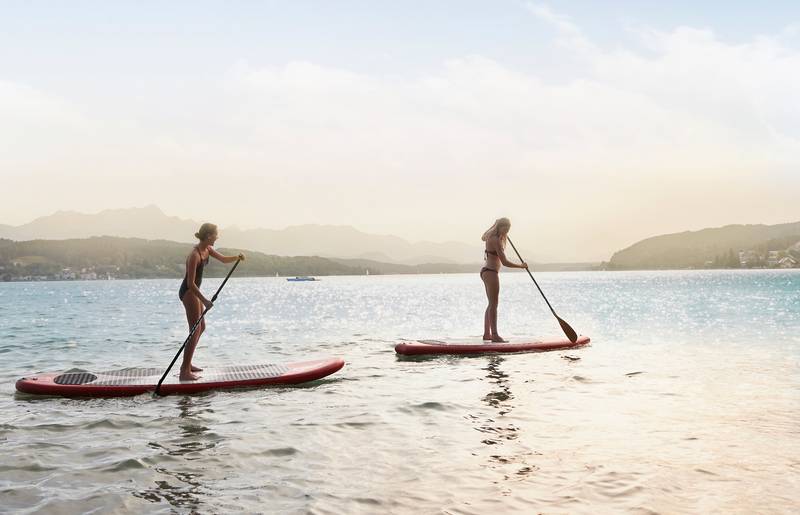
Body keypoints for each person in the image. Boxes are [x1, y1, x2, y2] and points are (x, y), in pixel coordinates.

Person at [178, 223, 244, 380]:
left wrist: (237, 257)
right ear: (208, 236)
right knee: (194, 330)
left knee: (201, 328)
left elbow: (223, 259)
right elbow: (190, 284)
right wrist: (205, 300)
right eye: (216, 234)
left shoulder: (207, 249)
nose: (217, 237)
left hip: (194, 292)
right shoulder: (194, 255)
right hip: (188, 292)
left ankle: (188, 364)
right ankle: (184, 371)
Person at [480, 217, 527, 342]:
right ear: (499, 227)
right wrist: (521, 266)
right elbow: (505, 262)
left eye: (508, 228)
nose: (506, 230)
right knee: (494, 304)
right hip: (490, 273)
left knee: (491, 304)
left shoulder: (490, 236)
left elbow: (483, 236)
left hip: (486, 272)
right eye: (504, 227)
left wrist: (494, 225)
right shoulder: (495, 240)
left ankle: (487, 334)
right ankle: (494, 335)